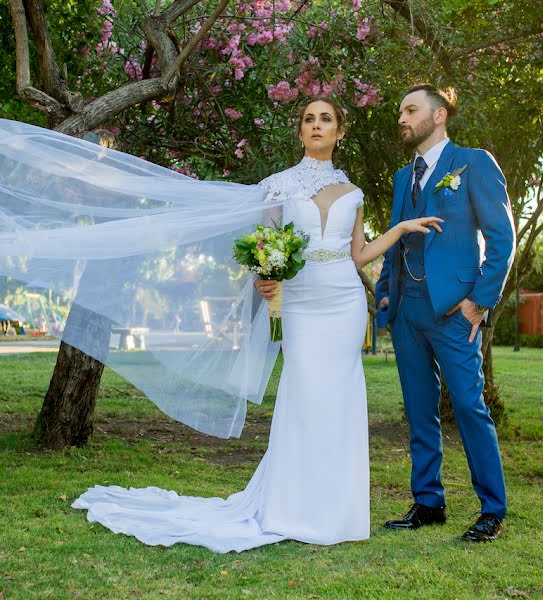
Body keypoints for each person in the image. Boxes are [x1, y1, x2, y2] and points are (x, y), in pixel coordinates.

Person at [73, 98, 442, 552]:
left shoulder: (354, 192)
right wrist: (265, 278)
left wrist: (401, 228)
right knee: (305, 391)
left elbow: (358, 256)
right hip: (302, 302)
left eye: (325, 119)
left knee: (340, 397)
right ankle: (293, 506)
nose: (316, 125)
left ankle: (337, 510)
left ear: (340, 131)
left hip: (344, 301)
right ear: (301, 132)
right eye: (309, 119)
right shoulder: (278, 187)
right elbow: (265, 250)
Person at [375, 85, 516, 543]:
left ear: (438, 116)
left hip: (456, 311)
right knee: (419, 411)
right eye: (400, 110)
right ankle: (428, 502)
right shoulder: (402, 178)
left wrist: (480, 302)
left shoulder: (473, 163)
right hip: (406, 312)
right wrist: (383, 293)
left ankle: (492, 509)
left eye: (410, 109)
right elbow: (394, 244)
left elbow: (502, 239)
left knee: (470, 408)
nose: (402, 117)